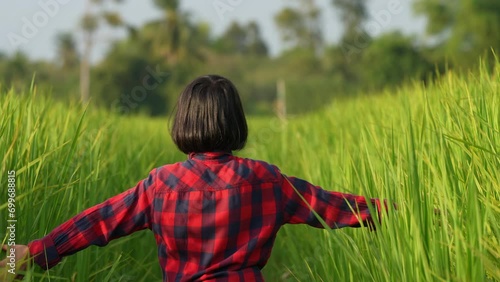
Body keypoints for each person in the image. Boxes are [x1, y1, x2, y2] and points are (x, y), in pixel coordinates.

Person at [0, 75, 383, 281]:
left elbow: (99, 222)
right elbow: (337, 208)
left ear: (183, 122)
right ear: (237, 122)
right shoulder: (267, 180)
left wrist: (33, 253)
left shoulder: (161, 184)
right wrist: (404, 210)